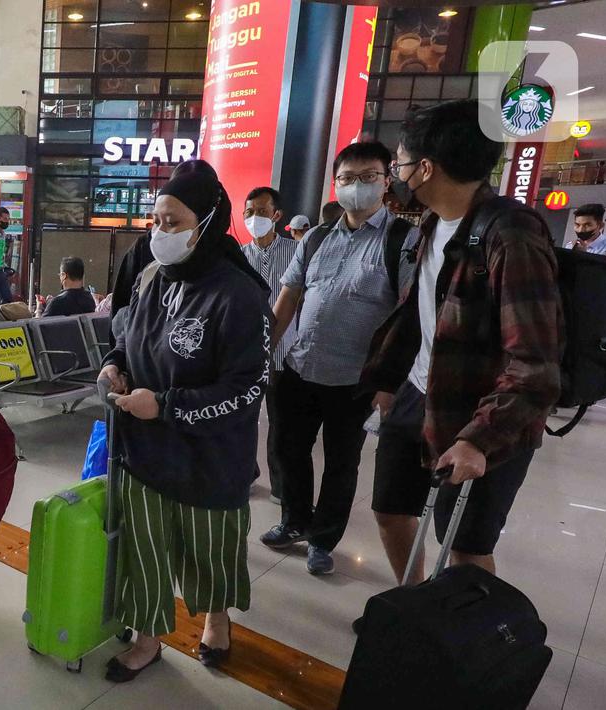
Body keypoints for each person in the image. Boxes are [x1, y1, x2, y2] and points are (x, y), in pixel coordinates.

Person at [364, 100, 562, 587]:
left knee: (465, 548)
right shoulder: (432, 224)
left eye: (399, 163)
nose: (396, 173)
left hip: (484, 416)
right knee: (391, 511)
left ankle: (465, 641)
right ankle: (415, 609)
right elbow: (417, 312)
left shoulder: (509, 236)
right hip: (419, 395)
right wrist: (387, 381)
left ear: (425, 168)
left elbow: (535, 364)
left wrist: (478, 438)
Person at [98, 159, 271, 681]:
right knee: (145, 549)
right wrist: (114, 366)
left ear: (209, 221)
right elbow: (128, 339)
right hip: (145, 450)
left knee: (210, 550)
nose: (160, 232)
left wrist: (168, 406)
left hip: (210, 457)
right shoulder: (154, 279)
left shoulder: (239, 296)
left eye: (173, 222)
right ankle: (150, 637)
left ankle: (216, 620)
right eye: (156, 221)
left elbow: (248, 388)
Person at [260, 140, 417, 576]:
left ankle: (323, 538)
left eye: (368, 177)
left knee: (341, 464)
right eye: (347, 178)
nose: (356, 186)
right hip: (301, 366)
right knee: (290, 450)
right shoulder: (317, 237)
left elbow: (409, 313)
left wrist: (389, 383)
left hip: (357, 381)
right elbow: (289, 296)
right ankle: (294, 520)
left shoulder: (403, 240)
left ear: (387, 182)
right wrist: (265, 350)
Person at [241, 187, 299, 504]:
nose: (254, 218)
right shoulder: (238, 255)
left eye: (261, 212)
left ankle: (280, 487)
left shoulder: (295, 253)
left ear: (277, 215)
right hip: (246, 355)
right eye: (249, 212)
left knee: (282, 426)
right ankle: (246, 474)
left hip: (283, 354)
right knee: (244, 419)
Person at [566, 203, 606, 268]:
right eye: (577, 225)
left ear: (600, 226)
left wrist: (584, 255)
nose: (580, 230)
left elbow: (605, 273)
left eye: (587, 225)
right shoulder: (570, 246)